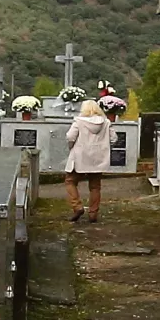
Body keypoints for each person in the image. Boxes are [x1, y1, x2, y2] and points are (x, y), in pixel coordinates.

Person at [64, 91, 115, 224]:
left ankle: (77, 207)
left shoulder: (78, 122)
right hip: (98, 158)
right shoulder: (106, 122)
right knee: (95, 186)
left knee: (70, 181)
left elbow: (70, 137)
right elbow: (114, 139)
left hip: (80, 156)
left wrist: (72, 147)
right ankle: (93, 214)